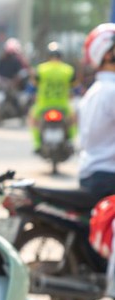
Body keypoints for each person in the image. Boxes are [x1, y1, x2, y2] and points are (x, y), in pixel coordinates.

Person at [77, 23, 115, 203]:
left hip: (91, 174)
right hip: (108, 178)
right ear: (108, 54)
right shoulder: (111, 91)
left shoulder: (95, 91)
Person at [30, 41, 76, 152]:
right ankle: (71, 140)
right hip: (63, 106)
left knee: (33, 119)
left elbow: (34, 83)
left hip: (43, 105)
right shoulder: (68, 70)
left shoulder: (41, 69)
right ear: (61, 56)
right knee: (73, 120)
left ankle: (37, 143)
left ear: (49, 56)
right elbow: (74, 84)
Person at [0, 37, 30, 115]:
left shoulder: (17, 60)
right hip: (4, 85)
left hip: (13, 86)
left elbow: (22, 73)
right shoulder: (3, 60)